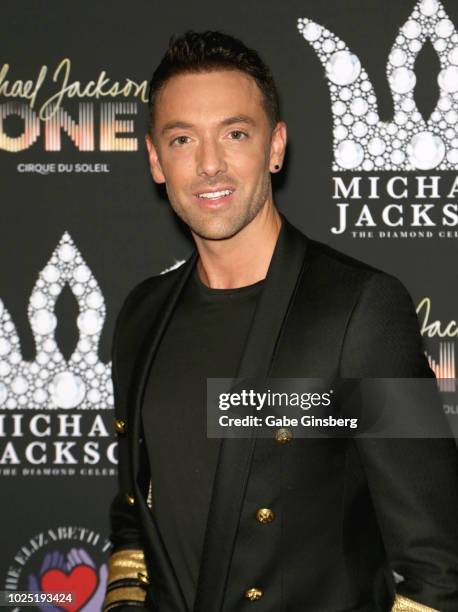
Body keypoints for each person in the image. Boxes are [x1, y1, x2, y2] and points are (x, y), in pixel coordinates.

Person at [103, 30, 458, 612]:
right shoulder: (143, 315)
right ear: (154, 160)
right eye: (182, 138)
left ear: (276, 146)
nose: (210, 164)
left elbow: (437, 566)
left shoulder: (359, 308)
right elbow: (133, 523)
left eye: (235, 134)